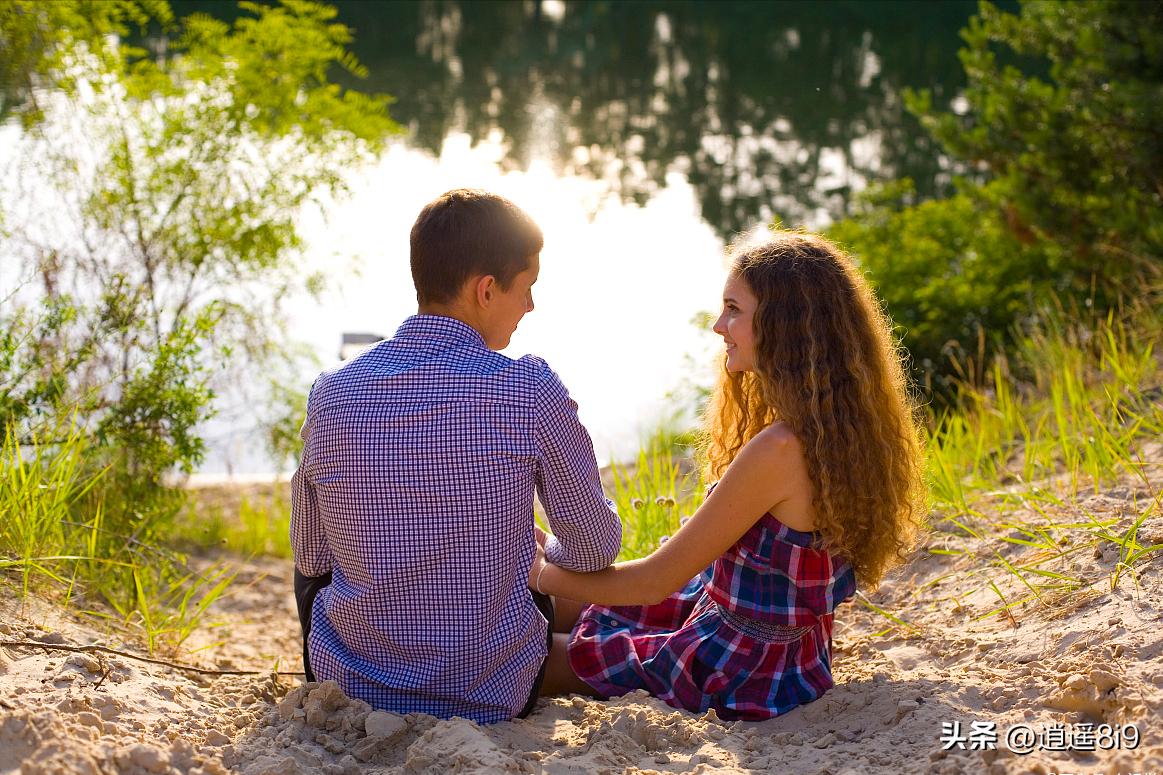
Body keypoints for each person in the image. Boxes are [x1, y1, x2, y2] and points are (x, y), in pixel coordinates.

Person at [529, 232, 926, 720]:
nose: (720, 326)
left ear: (785, 325)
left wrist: (543, 573)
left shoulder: (780, 449)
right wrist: (554, 572)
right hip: (781, 646)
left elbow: (655, 579)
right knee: (568, 604)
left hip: (740, 664)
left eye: (734, 309)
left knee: (528, 659)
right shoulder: (834, 432)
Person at [291, 188, 621, 724]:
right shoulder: (528, 387)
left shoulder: (332, 391)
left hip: (351, 678)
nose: (531, 306)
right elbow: (593, 548)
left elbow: (312, 559)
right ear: (486, 290)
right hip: (493, 685)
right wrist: (535, 555)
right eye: (528, 287)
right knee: (581, 603)